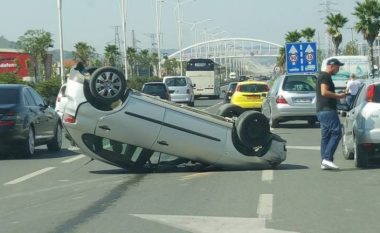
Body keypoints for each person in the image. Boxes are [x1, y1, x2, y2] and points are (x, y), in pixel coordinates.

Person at [316, 58, 347, 170]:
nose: (338, 69)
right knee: (337, 132)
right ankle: (327, 159)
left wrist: (337, 94)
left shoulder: (322, 75)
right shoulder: (325, 76)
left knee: (326, 136)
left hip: (322, 110)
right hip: (327, 109)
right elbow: (324, 92)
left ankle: (324, 161)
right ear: (331, 66)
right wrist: (338, 96)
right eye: (337, 67)